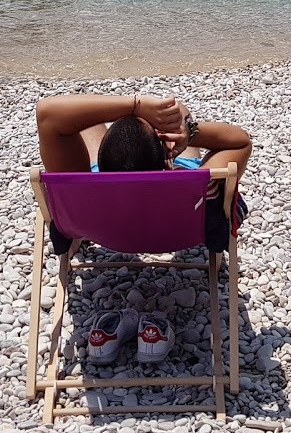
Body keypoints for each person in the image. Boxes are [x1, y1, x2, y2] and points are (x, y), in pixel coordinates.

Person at [34, 93, 253, 364]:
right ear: (166, 161)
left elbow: (48, 113)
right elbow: (241, 141)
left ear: (100, 163)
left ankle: (134, 137)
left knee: (88, 123)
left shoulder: (82, 182)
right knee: (178, 111)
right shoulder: (198, 182)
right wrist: (187, 134)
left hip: (96, 221)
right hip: (181, 221)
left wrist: (133, 105)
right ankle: (173, 130)